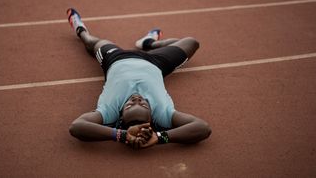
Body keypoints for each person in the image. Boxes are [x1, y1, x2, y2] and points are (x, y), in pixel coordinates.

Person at [67, 8, 211, 149]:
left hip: (116, 58)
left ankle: (81, 30)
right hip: (156, 62)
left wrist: (120, 135)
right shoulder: (162, 113)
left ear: (121, 116)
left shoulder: (109, 111)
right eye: (143, 104)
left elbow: (76, 126)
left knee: (94, 43)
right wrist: (161, 138)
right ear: (152, 115)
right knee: (192, 42)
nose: (136, 99)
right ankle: (149, 43)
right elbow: (203, 128)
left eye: (129, 105)